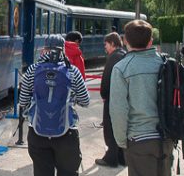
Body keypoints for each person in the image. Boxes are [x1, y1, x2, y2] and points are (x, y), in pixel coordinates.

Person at [109, 20, 174, 176]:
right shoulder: (166, 63)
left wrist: (121, 141)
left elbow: (118, 110)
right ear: (151, 41)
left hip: (138, 139)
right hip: (166, 137)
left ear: (125, 41)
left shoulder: (122, 68)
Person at [20, 34, 90, 176]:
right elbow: (86, 101)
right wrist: (70, 100)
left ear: (44, 50)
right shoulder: (73, 71)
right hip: (66, 132)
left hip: (37, 132)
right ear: (63, 50)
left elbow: (23, 101)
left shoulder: (32, 70)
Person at [95, 32, 126, 167]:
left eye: (106, 44)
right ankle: (122, 157)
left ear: (113, 43)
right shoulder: (124, 55)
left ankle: (111, 158)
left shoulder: (113, 58)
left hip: (111, 99)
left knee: (109, 129)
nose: (105, 47)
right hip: (122, 99)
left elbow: (106, 79)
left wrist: (104, 95)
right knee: (120, 127)